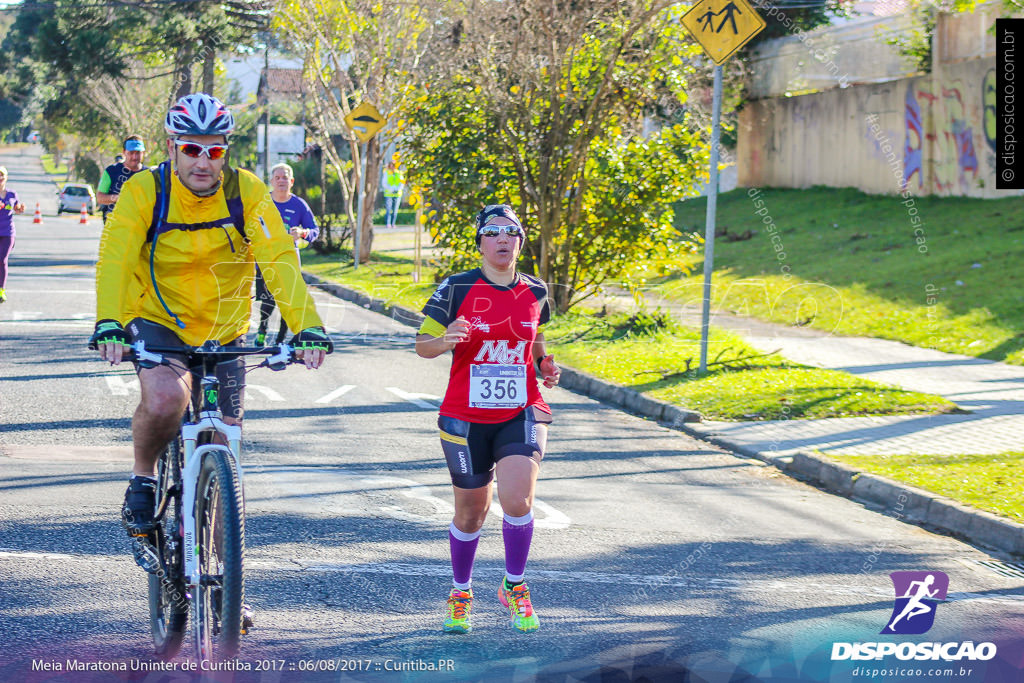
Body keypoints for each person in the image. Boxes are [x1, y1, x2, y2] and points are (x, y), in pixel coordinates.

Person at [90, 93, 332, 547]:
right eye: (192, 149)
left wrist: (308, 326)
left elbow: (279, 260)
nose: (203, 161)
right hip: (157, 316)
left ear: (226, 150)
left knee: (225, 449)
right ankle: (143, 476)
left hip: (226, 327)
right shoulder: (145, 190)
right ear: (172, 147)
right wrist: (109, 322)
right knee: (165, 399)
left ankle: (225, 588)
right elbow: (117, 257)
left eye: (214, 150)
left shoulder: (247, 192)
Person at [415, 204, 561, 634]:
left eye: (510, 232)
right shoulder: (457, 288)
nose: (502, 239)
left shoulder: (535, 292)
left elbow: (535, 341)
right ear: (480, 242)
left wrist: (545, 366)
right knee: (471, 514)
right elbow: (422, 344)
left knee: (518, 500)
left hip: (521, 410)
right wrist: (446, 339)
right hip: (465, 417)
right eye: (492, 232)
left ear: (519, 241)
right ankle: (461, 593)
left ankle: (514, 587)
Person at [254, 162, 320, 346]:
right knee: (267, 301)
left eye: (285, 178)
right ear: (272, 181)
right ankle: (262, 331)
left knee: (287, 301)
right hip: (266, 260)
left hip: (289, 261)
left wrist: (302, 233)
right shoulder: (262, 204)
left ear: (291, 181)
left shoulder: (299, 205)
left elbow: (315, 230)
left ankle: (280, 340)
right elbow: (248, 227)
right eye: (277, 177)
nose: (281, 181)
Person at [97, 135, 147, 224]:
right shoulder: (111, 171)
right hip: (114, 227)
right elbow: (100, 198)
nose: (134, 157)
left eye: (138, 153)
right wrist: (116, 198)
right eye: (131, 153)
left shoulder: (149, 174)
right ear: (124, 152)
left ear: (143, 153)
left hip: (141, 227)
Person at [0, 166, 26, 303]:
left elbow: (17, 208)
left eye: (2, 175)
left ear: (6, 177)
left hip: (7, 232)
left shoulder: (12, 194)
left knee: (2, 259)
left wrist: (20, 209)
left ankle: (1, 290)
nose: (0, 178)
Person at [381, 159, 405, 230]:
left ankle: (393, 223)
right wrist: (390, 189)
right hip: (389, 194)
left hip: (397, 194)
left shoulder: (399, 173)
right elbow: (384, 183)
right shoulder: (387, 173)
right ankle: (388, 223)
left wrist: (397, 189)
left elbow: (402, 183)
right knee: (388, 209)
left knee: (395, 210)